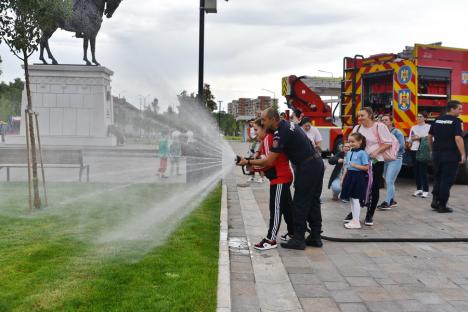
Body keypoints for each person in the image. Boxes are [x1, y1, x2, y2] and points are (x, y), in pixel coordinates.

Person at [237, 107, 324, 250]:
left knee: (300, 203)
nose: (262, 123)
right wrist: (258, 151)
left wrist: (247, 161)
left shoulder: (281, 132)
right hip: (315, 163)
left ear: (273, 119)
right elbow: (265, 136)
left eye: (264, 120)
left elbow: (270, 162)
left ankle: (298, 239)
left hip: (308, 166)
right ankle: (315, 236)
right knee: (313, 201)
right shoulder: (283, 125)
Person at [250, 119, 294, 250]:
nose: (255, 133)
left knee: (275, 208)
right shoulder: (267, 139)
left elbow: (268, 163)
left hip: (280, 179)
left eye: (256, 130)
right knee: (287, 208)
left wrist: (249, 163)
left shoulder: (269, 139)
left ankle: (270, 239)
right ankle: (294, 233)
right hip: (284, 177)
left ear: (264, 129)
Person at [352, 107, 392, 226]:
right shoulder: (357, 128)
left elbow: (388, 143)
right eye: (358, 116)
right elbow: (352, 141)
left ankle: (370, 214)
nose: (359, 118)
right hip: (359, 162)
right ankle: (355, 212)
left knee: (374, 188)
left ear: (370, 115)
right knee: (358, 186)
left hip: (376, 162)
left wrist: (377, 152)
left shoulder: (380, 126)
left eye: (362, 115)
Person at [428, 100, 466, 213]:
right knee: (447, 179)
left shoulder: (437, 120)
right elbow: (458, 138)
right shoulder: (456, 122)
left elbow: (429, 136)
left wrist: (431, 149)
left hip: (437, 155)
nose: (461, 111)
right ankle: (442, 205)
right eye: (459, 108)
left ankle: (435, 201)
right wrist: (463, 154)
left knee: (438, 177)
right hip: (450, 156)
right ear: (452, 109)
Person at [341, 133, 370, 229]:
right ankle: (354, 219)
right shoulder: (349, 152)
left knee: (356, 199)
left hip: (358, 177)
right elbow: (347, 167)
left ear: (360, 141)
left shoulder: (362, 153)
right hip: (350, 176)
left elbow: (366, 167)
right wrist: (343, 178)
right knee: (352, 199)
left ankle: (357, 221)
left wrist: (355, 165)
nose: (351, 143)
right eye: (349, 141)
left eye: (353, 141)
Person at [377, 115, 405, 210]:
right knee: (388, 180)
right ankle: (392, 200)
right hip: (385, 160)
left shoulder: (397, 132)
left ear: (391, 121)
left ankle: (387, 202)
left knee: (389, 181)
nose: (384, 121)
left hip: (395, 159)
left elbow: (402, 146)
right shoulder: (381, 132)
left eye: (386, 120)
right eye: (382, 120)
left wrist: (390, 148)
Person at [408, 112, 431, 198]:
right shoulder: (413, 127)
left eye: (420, 117)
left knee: (423, 171)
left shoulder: (429, 127)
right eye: (417, 117)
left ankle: (425, 190)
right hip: (414, 149)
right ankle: (419, 189)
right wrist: (409, 142)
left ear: (425, 118)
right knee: (416, 170)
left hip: (423, 150)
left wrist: (419, 137)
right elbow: (411, 138)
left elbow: (431, 138)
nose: (418, 118)